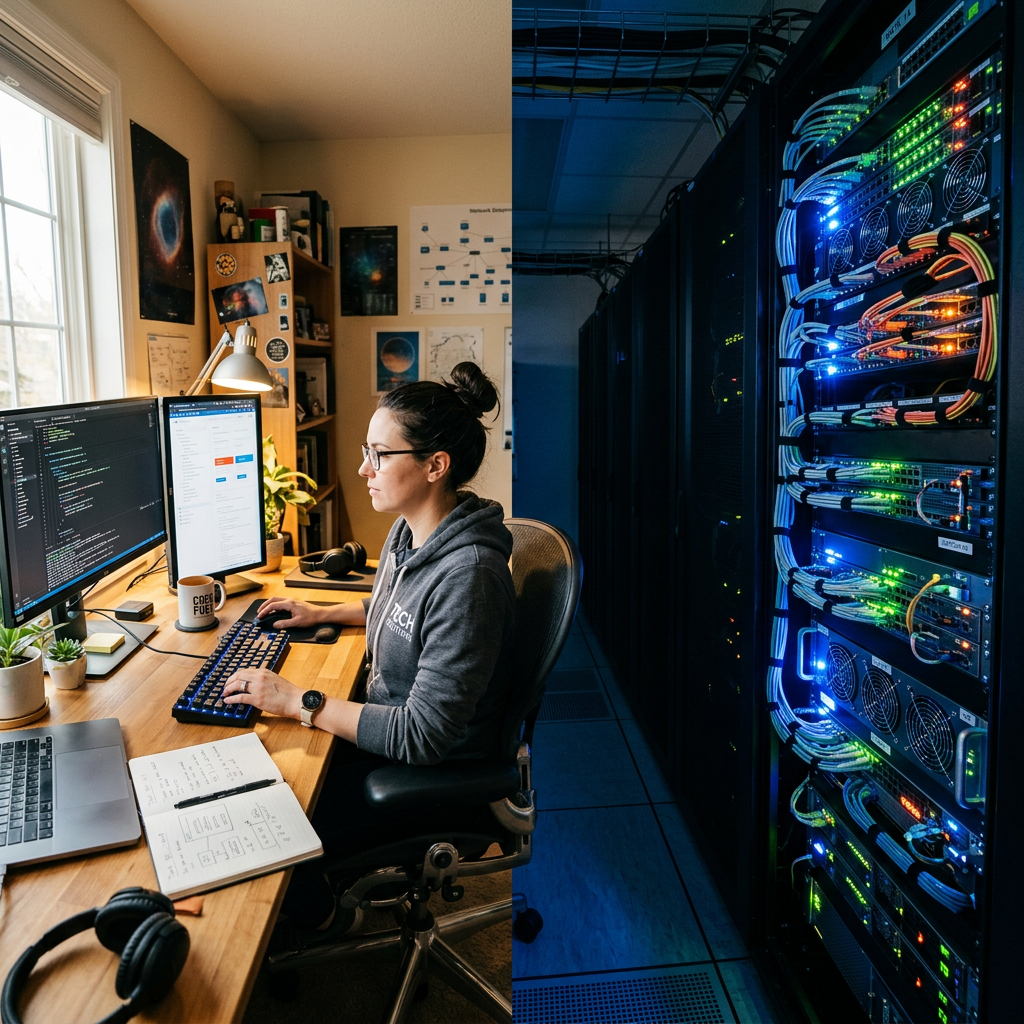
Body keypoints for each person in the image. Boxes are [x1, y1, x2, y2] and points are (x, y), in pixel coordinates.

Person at [221, 361, 515, 932]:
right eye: (366, 450)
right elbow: (402, 613)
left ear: (436, 466)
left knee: (276, 824)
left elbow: (422, 735)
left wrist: (297, 701)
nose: (363, 468)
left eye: (380, 455)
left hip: (434, 777)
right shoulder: (412, 529)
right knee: (265, 769)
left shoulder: (469, 575)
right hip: (392, 735)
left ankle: (322, 917)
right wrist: (321, 611)